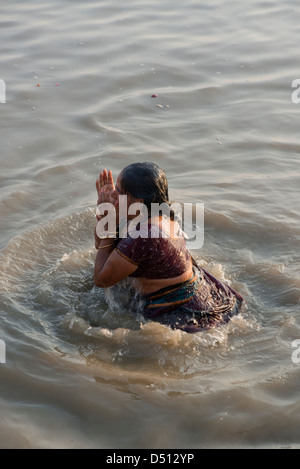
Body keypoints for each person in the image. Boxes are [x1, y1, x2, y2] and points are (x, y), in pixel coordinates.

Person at [94, 162, 243, 333]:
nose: (113, 193)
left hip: (181, 310)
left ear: (138, 201)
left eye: (118, 191)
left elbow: (101, 279)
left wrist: (107, 226)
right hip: (195, 290)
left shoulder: (143, 235)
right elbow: (101, 247)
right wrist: (107, 216)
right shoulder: (155, 213)